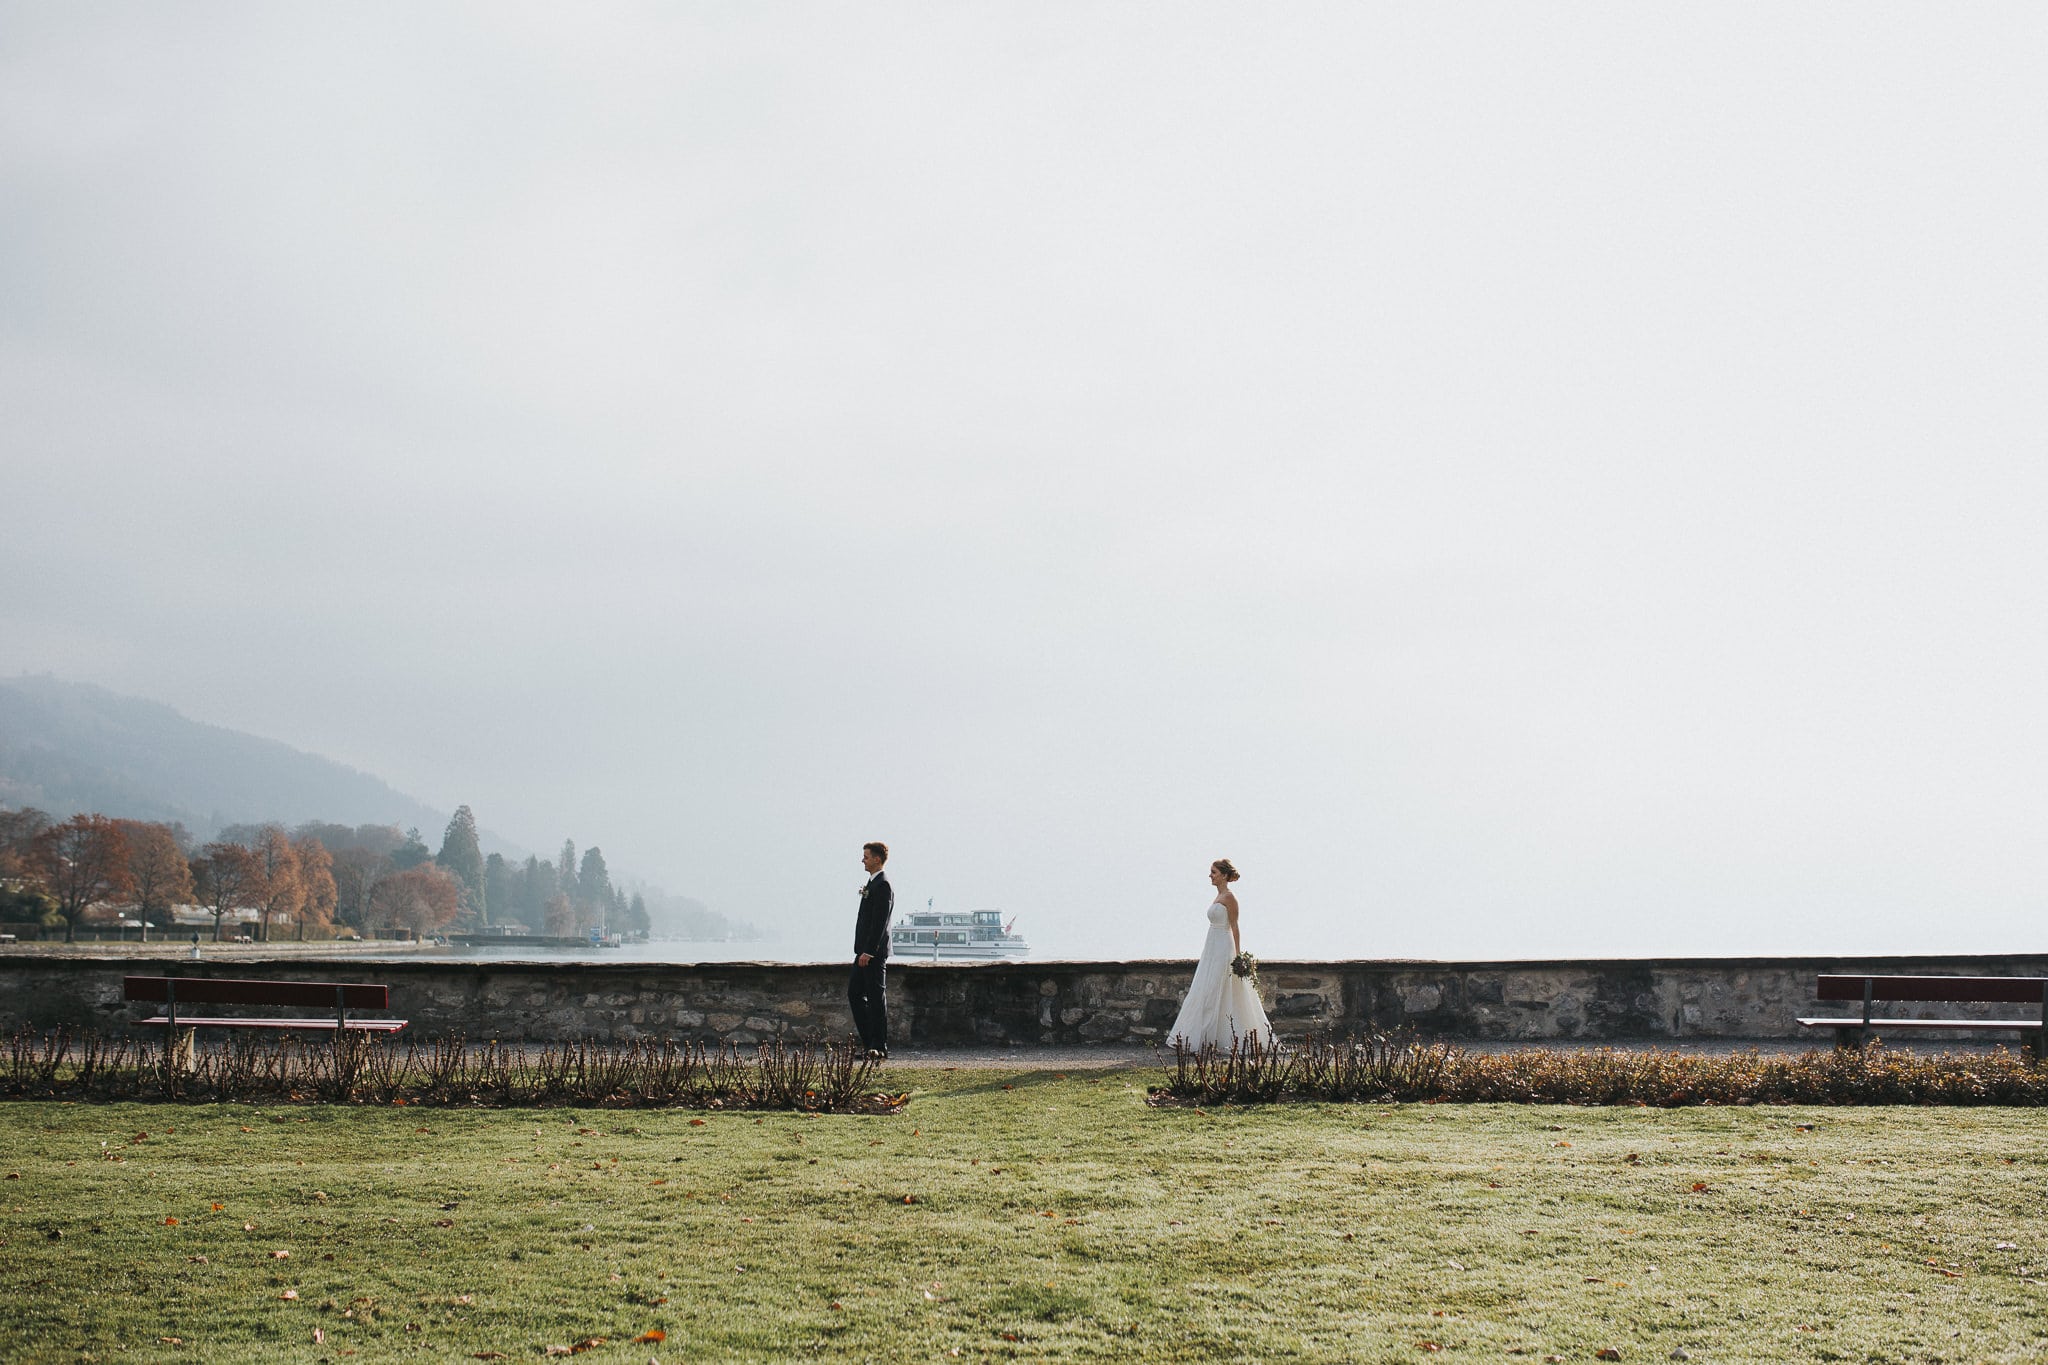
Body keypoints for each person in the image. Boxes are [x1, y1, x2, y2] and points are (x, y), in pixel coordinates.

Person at [1165, 858, 1271, 1052]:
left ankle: (1211, 1039)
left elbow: (1235, 926)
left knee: (1216, 988)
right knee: (1205, 989)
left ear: (1223, 875)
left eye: (1213, 872)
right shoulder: (1218, 896)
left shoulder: (1230, 897)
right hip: (1211, 946)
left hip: (1223, 946)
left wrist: (1238, 956)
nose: (1210, 876)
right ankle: (1204, 1037)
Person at [849, 841, 894, 1057]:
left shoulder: (883, 885)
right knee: (855, 994)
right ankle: (870, 1043)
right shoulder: (872, 884)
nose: (862, 860)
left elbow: (880, 922)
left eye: (866, 856)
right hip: (863, 952)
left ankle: (879, 1046)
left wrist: (869, 951)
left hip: (872, 954)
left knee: (876, 998)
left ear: (877, 859)